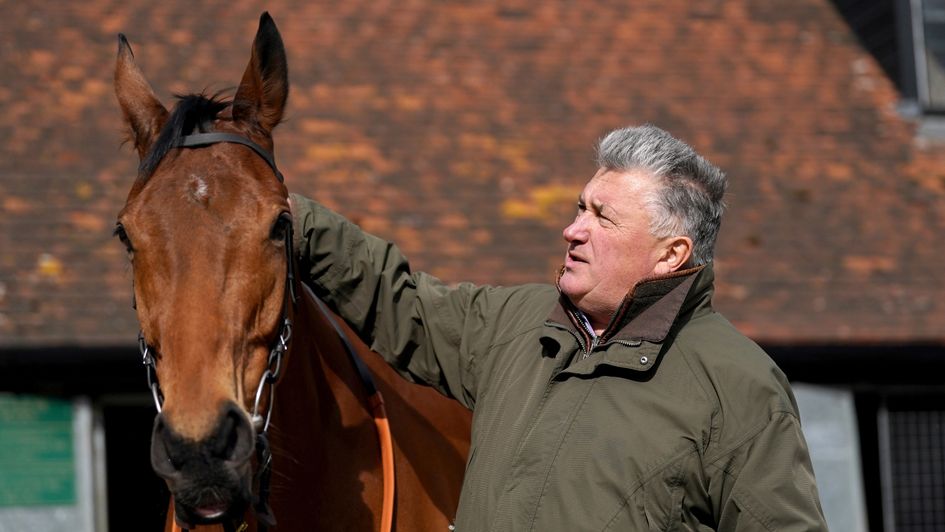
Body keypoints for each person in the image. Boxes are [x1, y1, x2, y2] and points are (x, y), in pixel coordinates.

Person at [291, 124, 828, 531]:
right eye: (579, 209)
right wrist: (277, 211)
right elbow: (395, 297)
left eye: (603, 218)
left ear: (671, 254)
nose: (572, 230)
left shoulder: (738, 386)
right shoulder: (515, 323)